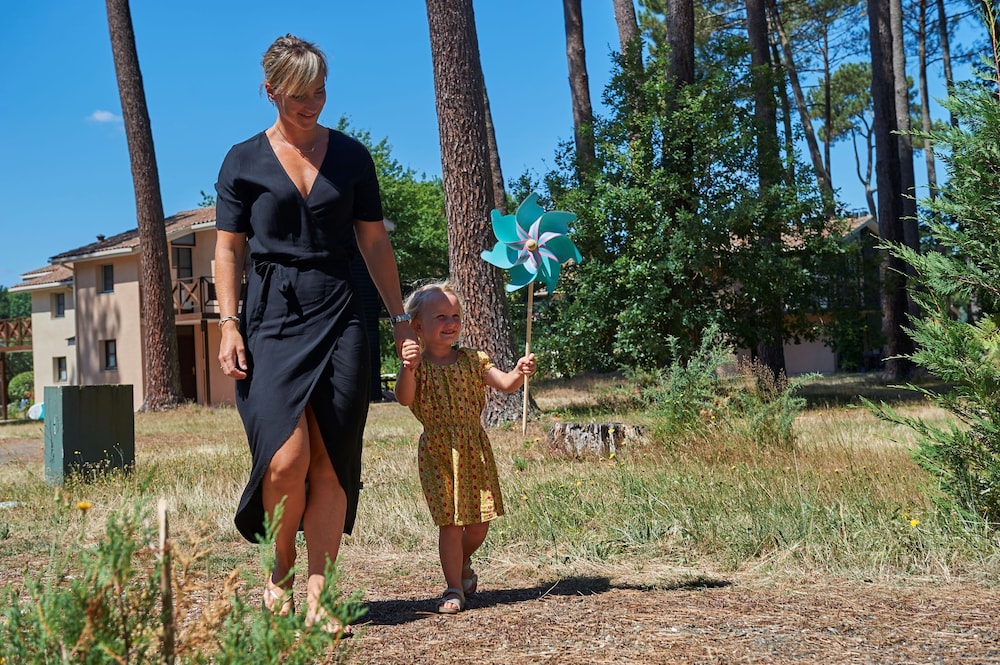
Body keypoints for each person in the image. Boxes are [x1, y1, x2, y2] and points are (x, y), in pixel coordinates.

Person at [214, 34, 415, 634]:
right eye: (299, 94)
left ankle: (320, 594)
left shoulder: (352, 156)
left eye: (320, 91)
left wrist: (399, 316)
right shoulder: (242, 160)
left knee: (332, 459)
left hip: (341, 310)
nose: (312, 104)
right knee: (285, 458)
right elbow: (228, 250)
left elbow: (373, 242)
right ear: (270, 91)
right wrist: (229, 324)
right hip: (271, 317)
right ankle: (279, 572)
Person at [394, 282, 536, 614]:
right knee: (451, 523)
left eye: (455, 315)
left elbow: (506, 384)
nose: (451, 323)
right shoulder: (418, 366)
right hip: (438, 452)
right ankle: (454, 588)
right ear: (418, 327)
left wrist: (519, 371)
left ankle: (462, 560)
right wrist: (407, 368)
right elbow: (404, 398)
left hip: (473, 448)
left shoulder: (474, 360)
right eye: (440, 316)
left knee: (479, 524)